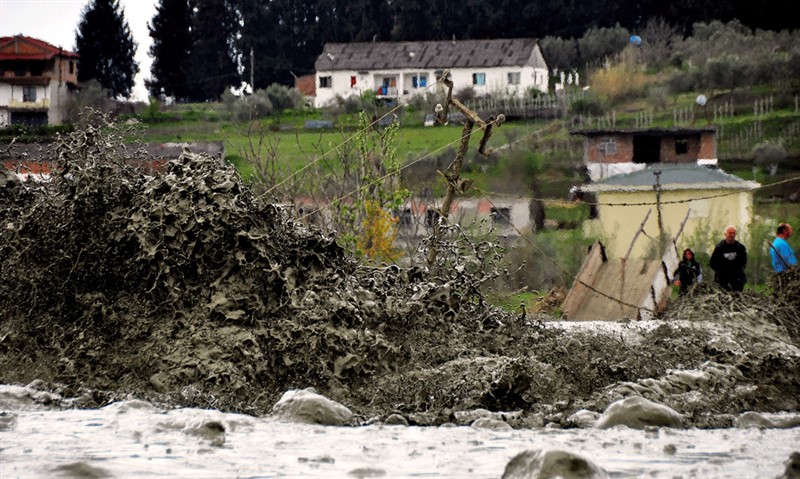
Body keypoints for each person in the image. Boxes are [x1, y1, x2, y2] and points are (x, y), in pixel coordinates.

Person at [710, 225, 747, 292]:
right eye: (730, 233)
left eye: (733, 233)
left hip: (736, 279)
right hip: (722, 279)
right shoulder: (719, 248)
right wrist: (720, 271)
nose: (732, 235)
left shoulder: (740, 248)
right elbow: (713, 263)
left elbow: (743, 262)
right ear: (725, 234)